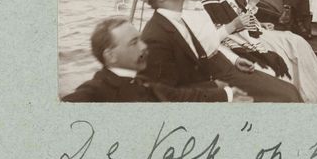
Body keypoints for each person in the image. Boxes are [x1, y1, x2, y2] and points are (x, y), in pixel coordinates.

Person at [136, 0, 303, 103]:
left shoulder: (177, 19)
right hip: (212, 81)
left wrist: (234, 59)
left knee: (290, 92)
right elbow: (165, 96)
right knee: (287, 96)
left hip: (220, 68)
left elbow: (207, 50)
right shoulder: (156, 37)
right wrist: (223, 93)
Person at [62, 16, 251, 102]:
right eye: (134, 43)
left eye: (140, 40)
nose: (144, 46)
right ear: (110, 56)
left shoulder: (142, 82)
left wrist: (227, 94)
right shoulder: (94, 91)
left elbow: (179, 96)